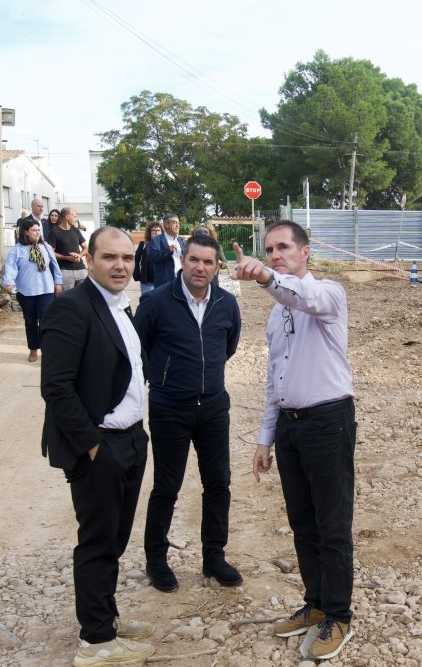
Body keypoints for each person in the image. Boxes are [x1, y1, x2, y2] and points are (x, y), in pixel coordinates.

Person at [233, 221, 357, 661]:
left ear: (305, 252)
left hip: (328, 421)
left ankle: (338, 615)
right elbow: (275, 380)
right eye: (269, 250)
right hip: (290, 425)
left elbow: (301, 296)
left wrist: (266, 277)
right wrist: (265, 438)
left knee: (332, 524)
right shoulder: (275, 313)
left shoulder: (329, 294)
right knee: (302, 523)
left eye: (284, 247)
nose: (275, 255)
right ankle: (316, 603)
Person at [40, 227, 155, 666]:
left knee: (115, 540)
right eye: (109, 257)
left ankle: (106, 618)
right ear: (88, 259)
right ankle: (97, 641)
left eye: (127, 258)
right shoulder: (72, 308)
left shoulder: (120, 305)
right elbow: (56, 386)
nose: (120, 266)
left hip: (131, 439)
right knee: (97, 543)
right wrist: (92, 447)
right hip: (100, 446)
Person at [134, 231, 242, 592]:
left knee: (218, 483)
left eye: (208, 262)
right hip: (169, 408)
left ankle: (214, 557)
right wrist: (164, 378)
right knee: (167, 486)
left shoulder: (226, 303)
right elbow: (139, 349)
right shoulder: (156, 302)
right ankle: (156, 561)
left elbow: (227, 347)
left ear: (217, 266)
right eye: (194, 259)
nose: (200, 267)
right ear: (182, 260)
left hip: (213, 407)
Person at [2, 219, 62, 362]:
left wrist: (58, 282)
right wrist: (9, 281)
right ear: (26, 232)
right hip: (27, 291)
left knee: (46, 322)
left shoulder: (45, 247)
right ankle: (33, 349)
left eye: (39, 230)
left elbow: (55, 265)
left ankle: (48, 351)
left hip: (46, 289)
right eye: (34, 230)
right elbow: (10, 267)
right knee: (30, 322)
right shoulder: (17, 249)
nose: (37, 233)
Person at [49, 207, 88, 291]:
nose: (76, 219)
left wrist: (79, 255)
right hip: (65, 271)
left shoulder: (76, 230)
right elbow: (51, 252)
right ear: (67, 217)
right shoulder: (54, 232)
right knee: (68, 298)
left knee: (84, 297)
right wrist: (67, 258)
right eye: (74, 216)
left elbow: (86, 248)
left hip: (81, 270)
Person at [144, 215, 184, 285]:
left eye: (178, 223)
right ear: (166, 225)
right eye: (174, 223)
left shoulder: (181, 240)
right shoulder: (156, 240)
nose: (177, 225)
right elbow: (152, 257)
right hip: (165, 281)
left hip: (181, 280)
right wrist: (167, 250)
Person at [133, 221, 163, 295]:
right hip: (147, 283)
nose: (156, 232)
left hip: (163, 282)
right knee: (147, 301)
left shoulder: (166, 245)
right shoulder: (143, 245)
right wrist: (137, 275)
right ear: (149, 232)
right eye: (154, 230)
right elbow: (136, 260)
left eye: (158, 230)